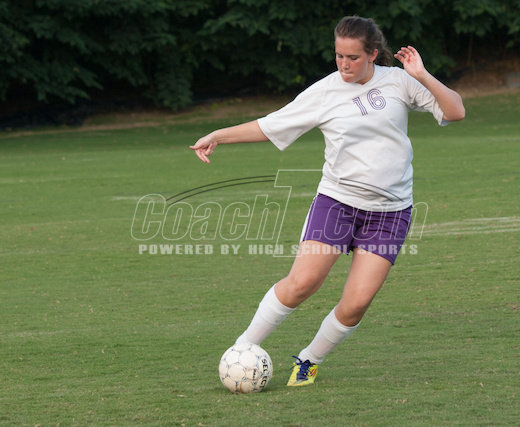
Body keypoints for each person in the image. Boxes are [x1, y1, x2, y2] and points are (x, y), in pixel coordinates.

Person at [190, 16, 465, 387]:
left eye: (353, 57)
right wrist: (219, 136)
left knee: (356, 304)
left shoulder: (399, 82)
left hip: (390, 213)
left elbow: (455, 111)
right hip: (338, 203)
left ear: (372, 54)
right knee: (302, 283)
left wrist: (422, 74)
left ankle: (310, 359)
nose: (344, 64)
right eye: (339, 56)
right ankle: (243, 348)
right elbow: (270, 125)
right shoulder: (324, 92)